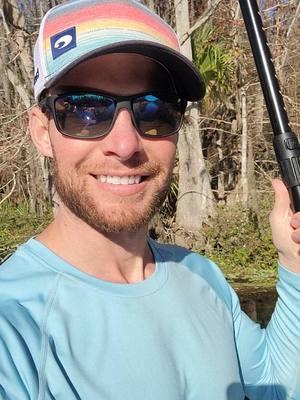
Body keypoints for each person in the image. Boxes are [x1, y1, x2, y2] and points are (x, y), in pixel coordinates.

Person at [0, 0, 300, 399]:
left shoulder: (202, 275)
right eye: (85, 110)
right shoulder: (13, 321)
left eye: (153, 110)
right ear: (42, 131)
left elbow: (273, 387)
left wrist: (294, 262)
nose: (125, 146)